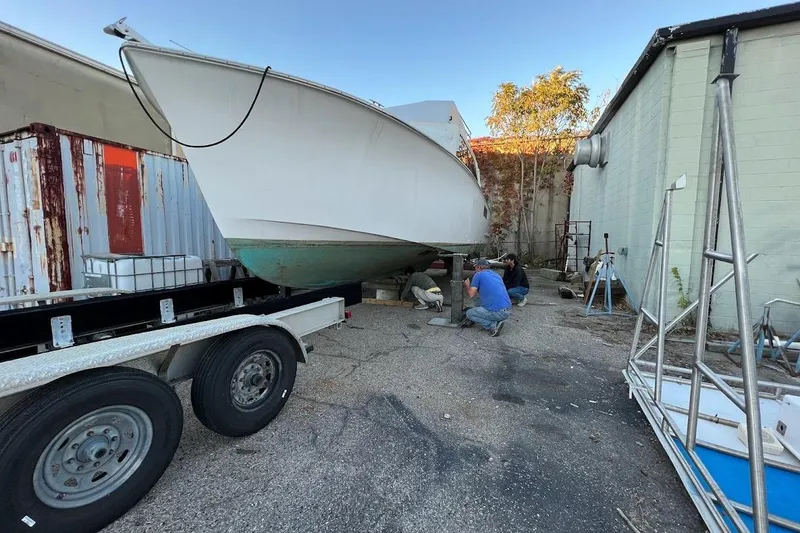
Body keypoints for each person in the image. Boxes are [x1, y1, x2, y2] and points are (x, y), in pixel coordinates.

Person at [462, 258, 511, 337]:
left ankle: (493, 325)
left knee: (469, 313)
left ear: (479, 267)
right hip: (507, 310)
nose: (475, 269)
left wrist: (467, 285)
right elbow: (485, 291)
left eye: (475, 267)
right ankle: (489, 315)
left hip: (499, 313)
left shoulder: (478, 275)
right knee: (477, 301)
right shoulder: (496, 274)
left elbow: (471, 294)